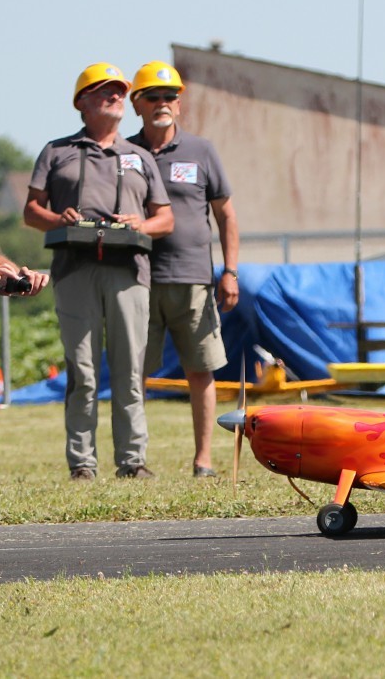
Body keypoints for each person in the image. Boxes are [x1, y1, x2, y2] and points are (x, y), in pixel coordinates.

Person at [25, 62, 174, 481]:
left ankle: (133, 461)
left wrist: (140, 224)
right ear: (82, 102)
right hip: (75, 270)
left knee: (130, 370)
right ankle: (82, 464)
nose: (115, 96)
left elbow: (165, 219)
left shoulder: (140, 156)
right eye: (104, 90)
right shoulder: (56, 151)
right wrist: (58, 219)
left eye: (119, 91)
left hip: (129, 273)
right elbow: (31, 211)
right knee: (83, 370)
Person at [128, 61, 240, 478]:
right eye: (153, 97)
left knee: (200, 369)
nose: (162, 103)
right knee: (134, 372)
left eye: (170, 96)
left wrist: (230, 272)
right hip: (136, 279)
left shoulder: (201, 150)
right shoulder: (124, 153)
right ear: (137, 104)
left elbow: (226, 215)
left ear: (179, 104)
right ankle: (133, 460)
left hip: (194, 279)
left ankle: (203, 460)